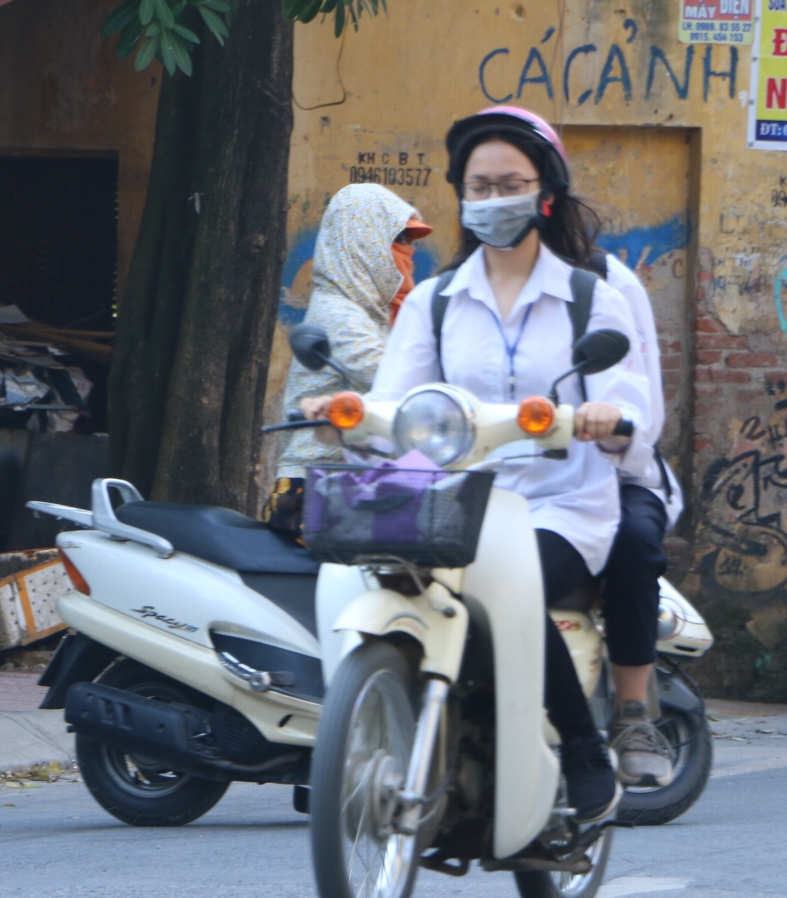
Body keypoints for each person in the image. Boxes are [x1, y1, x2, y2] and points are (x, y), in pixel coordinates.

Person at [302, 106, 650, 822]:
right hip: (451, 502)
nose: (493, 200)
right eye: (478, 187)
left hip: (560, 506)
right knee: (367, 570)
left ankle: (585, 750)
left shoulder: (595, 300)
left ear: (543, 194)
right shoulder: (432, 304)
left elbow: (637, 413)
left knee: (508, 581)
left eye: (509, 184)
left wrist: (604, 420)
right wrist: (349, 414)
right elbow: (395, 410)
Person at [262, 184, 431, 535]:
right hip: (314, 488)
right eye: (400, 240)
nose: (408, 254)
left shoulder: (370, 313)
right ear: (363, 244)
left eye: (411, 243)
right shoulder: (338, 314)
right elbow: (398, 382)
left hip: (358, 482)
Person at [594, 252, 687, 789]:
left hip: (612, 472)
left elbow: (639, 396)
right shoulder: (452, 291)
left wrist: (614, 427)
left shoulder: (607, 285)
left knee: (632, 541)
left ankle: (633, 714)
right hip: (507, 476)